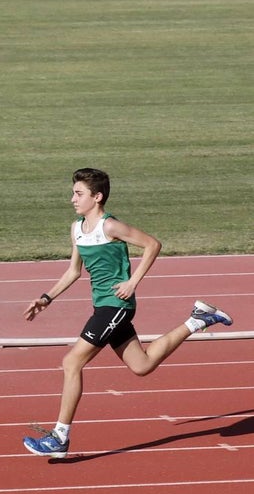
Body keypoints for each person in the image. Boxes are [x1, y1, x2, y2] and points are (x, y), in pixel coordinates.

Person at [21, 168, 233, 457]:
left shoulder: (111, 227)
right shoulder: (76, 228)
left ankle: (59, 437)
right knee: (142, 366)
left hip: (116, 306)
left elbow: (152, 245)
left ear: (97, 197)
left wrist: (133, 282)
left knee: (71, 362)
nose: (72, 198)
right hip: (103, 306)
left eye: (79, 193)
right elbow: (73, 271)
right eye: (73, 192)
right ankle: (198, 319)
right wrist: (46, 298)